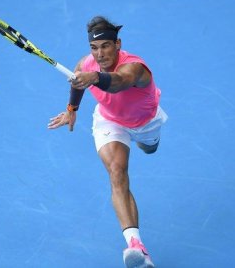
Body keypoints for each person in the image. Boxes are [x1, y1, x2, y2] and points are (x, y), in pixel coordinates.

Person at [48, 15, 167, 268]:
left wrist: (94, 78)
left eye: (105, 46)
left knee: (149, 148)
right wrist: (72, 108)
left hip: (146, 123)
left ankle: (146, 142)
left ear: (118, 44)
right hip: (110, 121)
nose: (99, 54)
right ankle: (136, 246)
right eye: (94, 47)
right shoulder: (86, 63)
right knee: (116, 171)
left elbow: (119, 83)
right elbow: (77, 81)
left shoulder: (136, 68)